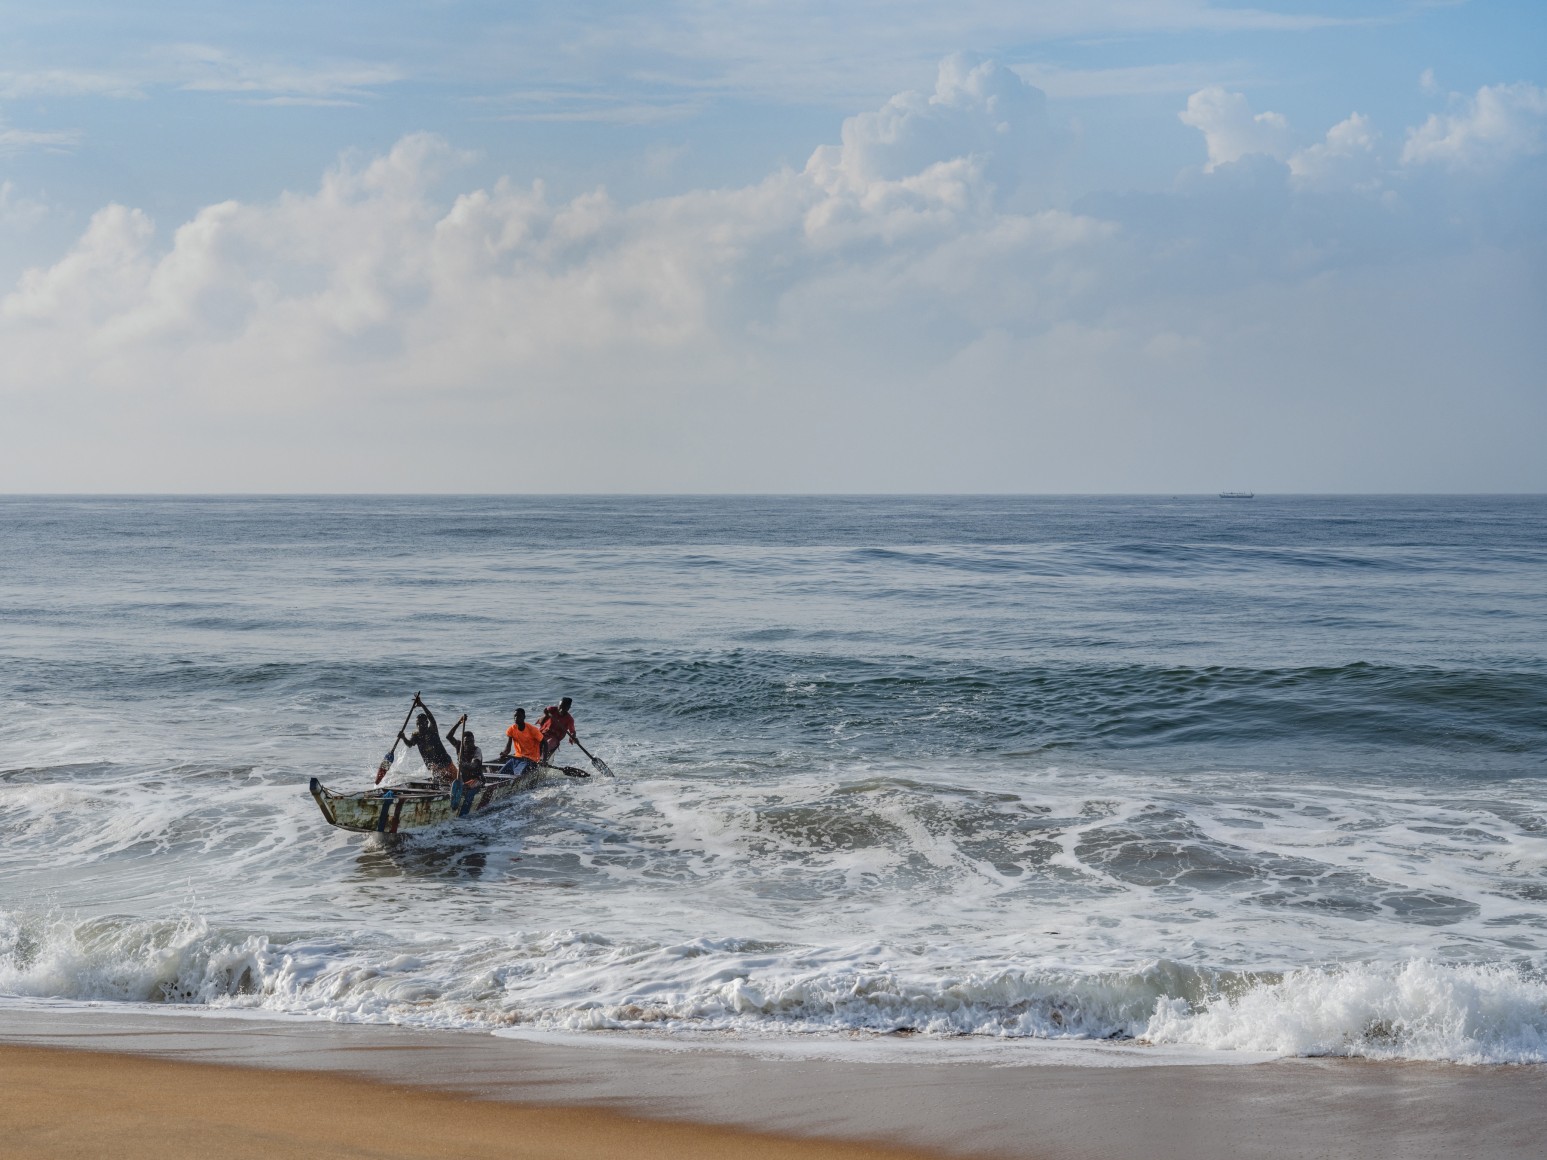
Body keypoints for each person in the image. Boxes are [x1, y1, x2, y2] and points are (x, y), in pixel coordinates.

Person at [398, 696, 457, 781]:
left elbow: (431, 718)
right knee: (438, 783)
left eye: (421, 723)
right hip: (433, 766)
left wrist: (422, 705)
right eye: (417, 724)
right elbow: (410, 744)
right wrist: (403, 737)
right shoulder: (416, 735)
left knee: (457, 781)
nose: (419, 726)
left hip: (446, 763)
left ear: (426, 723)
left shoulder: (432, 730)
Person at [446, 714, 485, 784]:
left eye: (471, 741)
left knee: (469, 785)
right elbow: (449, 736)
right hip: (462, 778)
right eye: (467, 742)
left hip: (476, 779)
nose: (470, 744)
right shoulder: (459, 746)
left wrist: (463, 764)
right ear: (463, 742)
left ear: (474, 741)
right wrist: (459, 722)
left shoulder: (477, 750)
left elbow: (474, 765)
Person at [537, 696, 578, 762]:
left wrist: (573, 737)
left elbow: (572, 731)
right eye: (560, 706)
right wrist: (546, 714)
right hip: (542, 733)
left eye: (564, 708)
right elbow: (541, 721)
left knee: (548, 743)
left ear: (568, 708)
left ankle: (541, 760)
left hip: (554, 738)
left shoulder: (569, 719)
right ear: (558, 704)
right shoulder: (551, 710)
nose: (561, 709)